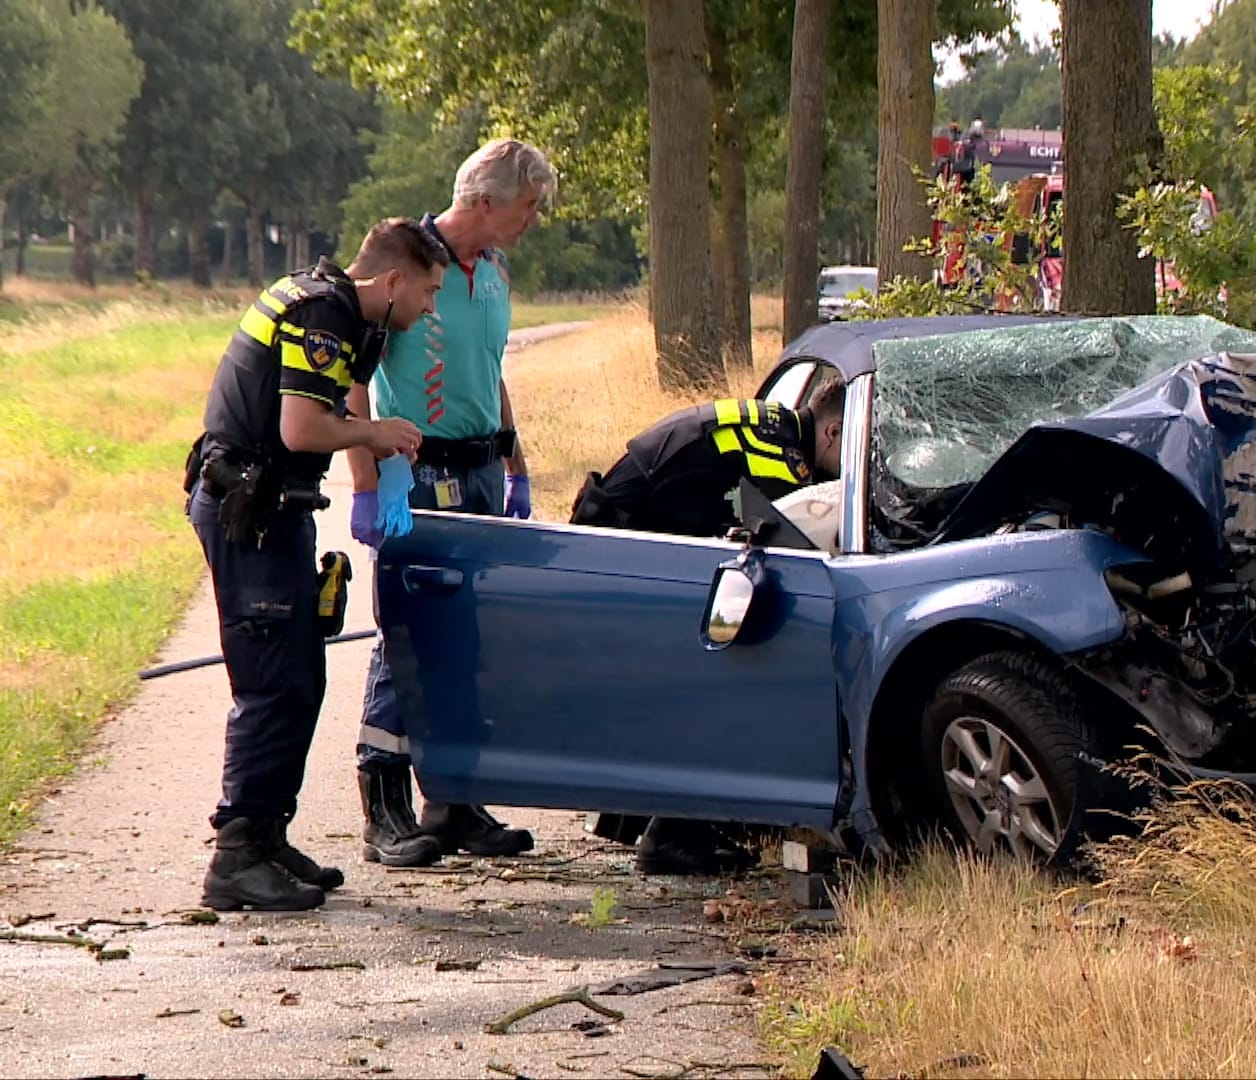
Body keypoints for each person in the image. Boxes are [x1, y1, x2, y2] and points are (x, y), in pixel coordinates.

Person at [184, 218, 447, 911]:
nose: (431, 308)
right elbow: (300, 428)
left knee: (300, 676)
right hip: (251, 514)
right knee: (273, 683)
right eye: (428, 291)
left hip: (278, 510)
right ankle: (236, 856)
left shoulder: (344, 313)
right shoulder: (322, 313)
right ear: (392, 281)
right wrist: (374, 432)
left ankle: (268, 837)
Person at [347, 137, 558, 868]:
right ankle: (385, 808)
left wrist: (515, 464)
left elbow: (492, 371)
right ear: (484, 201)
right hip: (417, 471)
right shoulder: (405, 261)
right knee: (408, 633)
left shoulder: (496, 272)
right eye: (529, 207)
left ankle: (456, 802)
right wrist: (368, 486)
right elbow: (352, 378)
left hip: (479, 471)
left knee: (469, 636)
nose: (535, 220)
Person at [568, 378, 846, 873]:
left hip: (618, 539)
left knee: (696, 678)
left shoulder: (768, 423)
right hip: (620, 549)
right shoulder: (782, 455)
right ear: (832, 432)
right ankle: (672, 835)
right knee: (722, 679)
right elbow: (797, 538)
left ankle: (654, 823)